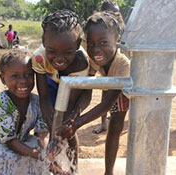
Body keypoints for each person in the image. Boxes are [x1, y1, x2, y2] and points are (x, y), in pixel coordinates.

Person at [59, 11, 129, 175]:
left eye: (103, 42)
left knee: (116, 124)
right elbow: (87, 89)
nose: (96, 49)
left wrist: (78, 123)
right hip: (110, 82)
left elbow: (107, 104)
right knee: (111, 118)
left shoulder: (123, 64)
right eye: (91, 44)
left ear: (117, 39)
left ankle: (109, 172)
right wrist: (76, 113)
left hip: (126, 86)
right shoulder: (96, 59)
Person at [0, 50, 57, 174]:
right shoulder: (0, 102)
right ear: (3, 79)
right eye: (15, 76)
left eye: (28, 75)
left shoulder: (37, 102)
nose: (23, 81)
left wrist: (45, 154)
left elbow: (42, 133)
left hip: (22, 142)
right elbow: (10, 141)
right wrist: (40, 156)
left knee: (50, 153)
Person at [31, 9, 92, 173]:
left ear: (78, 44)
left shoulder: (81, 62)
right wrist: (53, 132)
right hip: (51, 84)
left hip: (74, 89)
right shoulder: (39, 58)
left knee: (68, 129)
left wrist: (66, 126)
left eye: (67, 52)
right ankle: (52, 168)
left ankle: (73, 169)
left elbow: (73, 103)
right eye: (52, 51)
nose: (59, 58)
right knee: (51, 127)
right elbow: (44, 98)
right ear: (44, 41)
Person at [92, 0, 122, 134]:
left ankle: (116, 122)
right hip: (105, 67)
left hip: (119, 68)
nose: (114, 16)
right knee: (105, 93)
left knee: (119, 98)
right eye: (110, 13)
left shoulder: (121, 29)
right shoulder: (99, 28)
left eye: (117, 13)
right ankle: (104, 123)